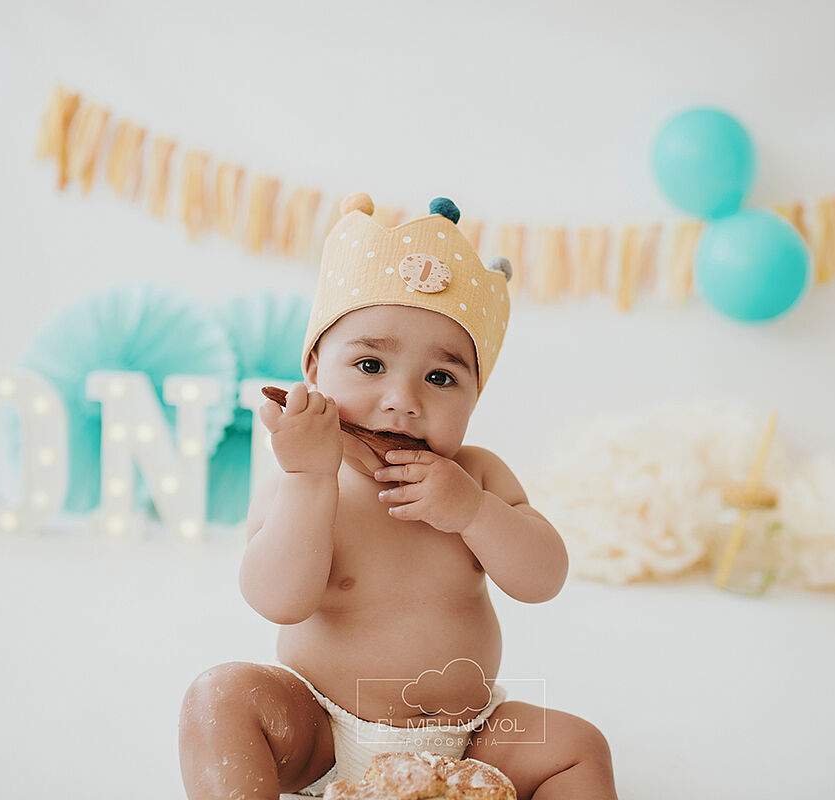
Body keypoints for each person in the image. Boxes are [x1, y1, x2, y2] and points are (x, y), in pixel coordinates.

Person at [179, 193, 618, 799]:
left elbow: (544, 579)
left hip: (471, 736)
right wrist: (310, 480)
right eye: (369, 365)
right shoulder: (301, 477)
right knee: (221, 696)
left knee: (578, 747)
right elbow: (277, 600)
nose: (402, 399)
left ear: (474, 399)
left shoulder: (479, 477)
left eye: (440, 378)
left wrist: (472, 511)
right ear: (313, 372)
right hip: (323, 731)